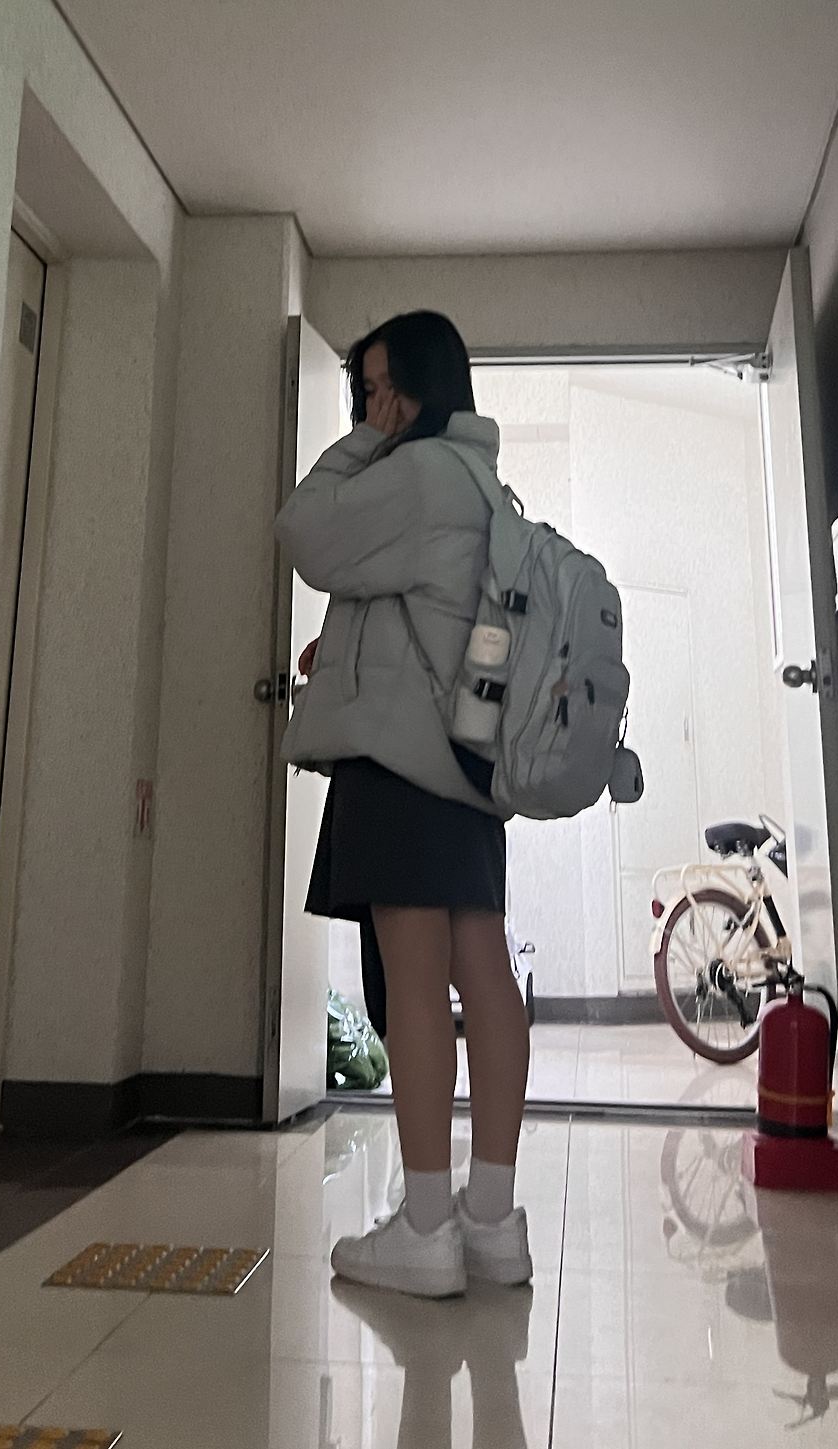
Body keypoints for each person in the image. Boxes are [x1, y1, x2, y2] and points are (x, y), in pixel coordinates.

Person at [276, 310, 532, 1298]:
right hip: (468, 765)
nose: (372, 406)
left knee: (415, 981)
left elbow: (305, 531)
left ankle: (425, 1226)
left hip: (401, 760)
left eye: (382, 388)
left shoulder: (411, 473)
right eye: (363, 391)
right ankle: (491, 1219)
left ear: (422, 388)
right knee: (484, 971)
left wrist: (358, 439)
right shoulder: (482, 483)